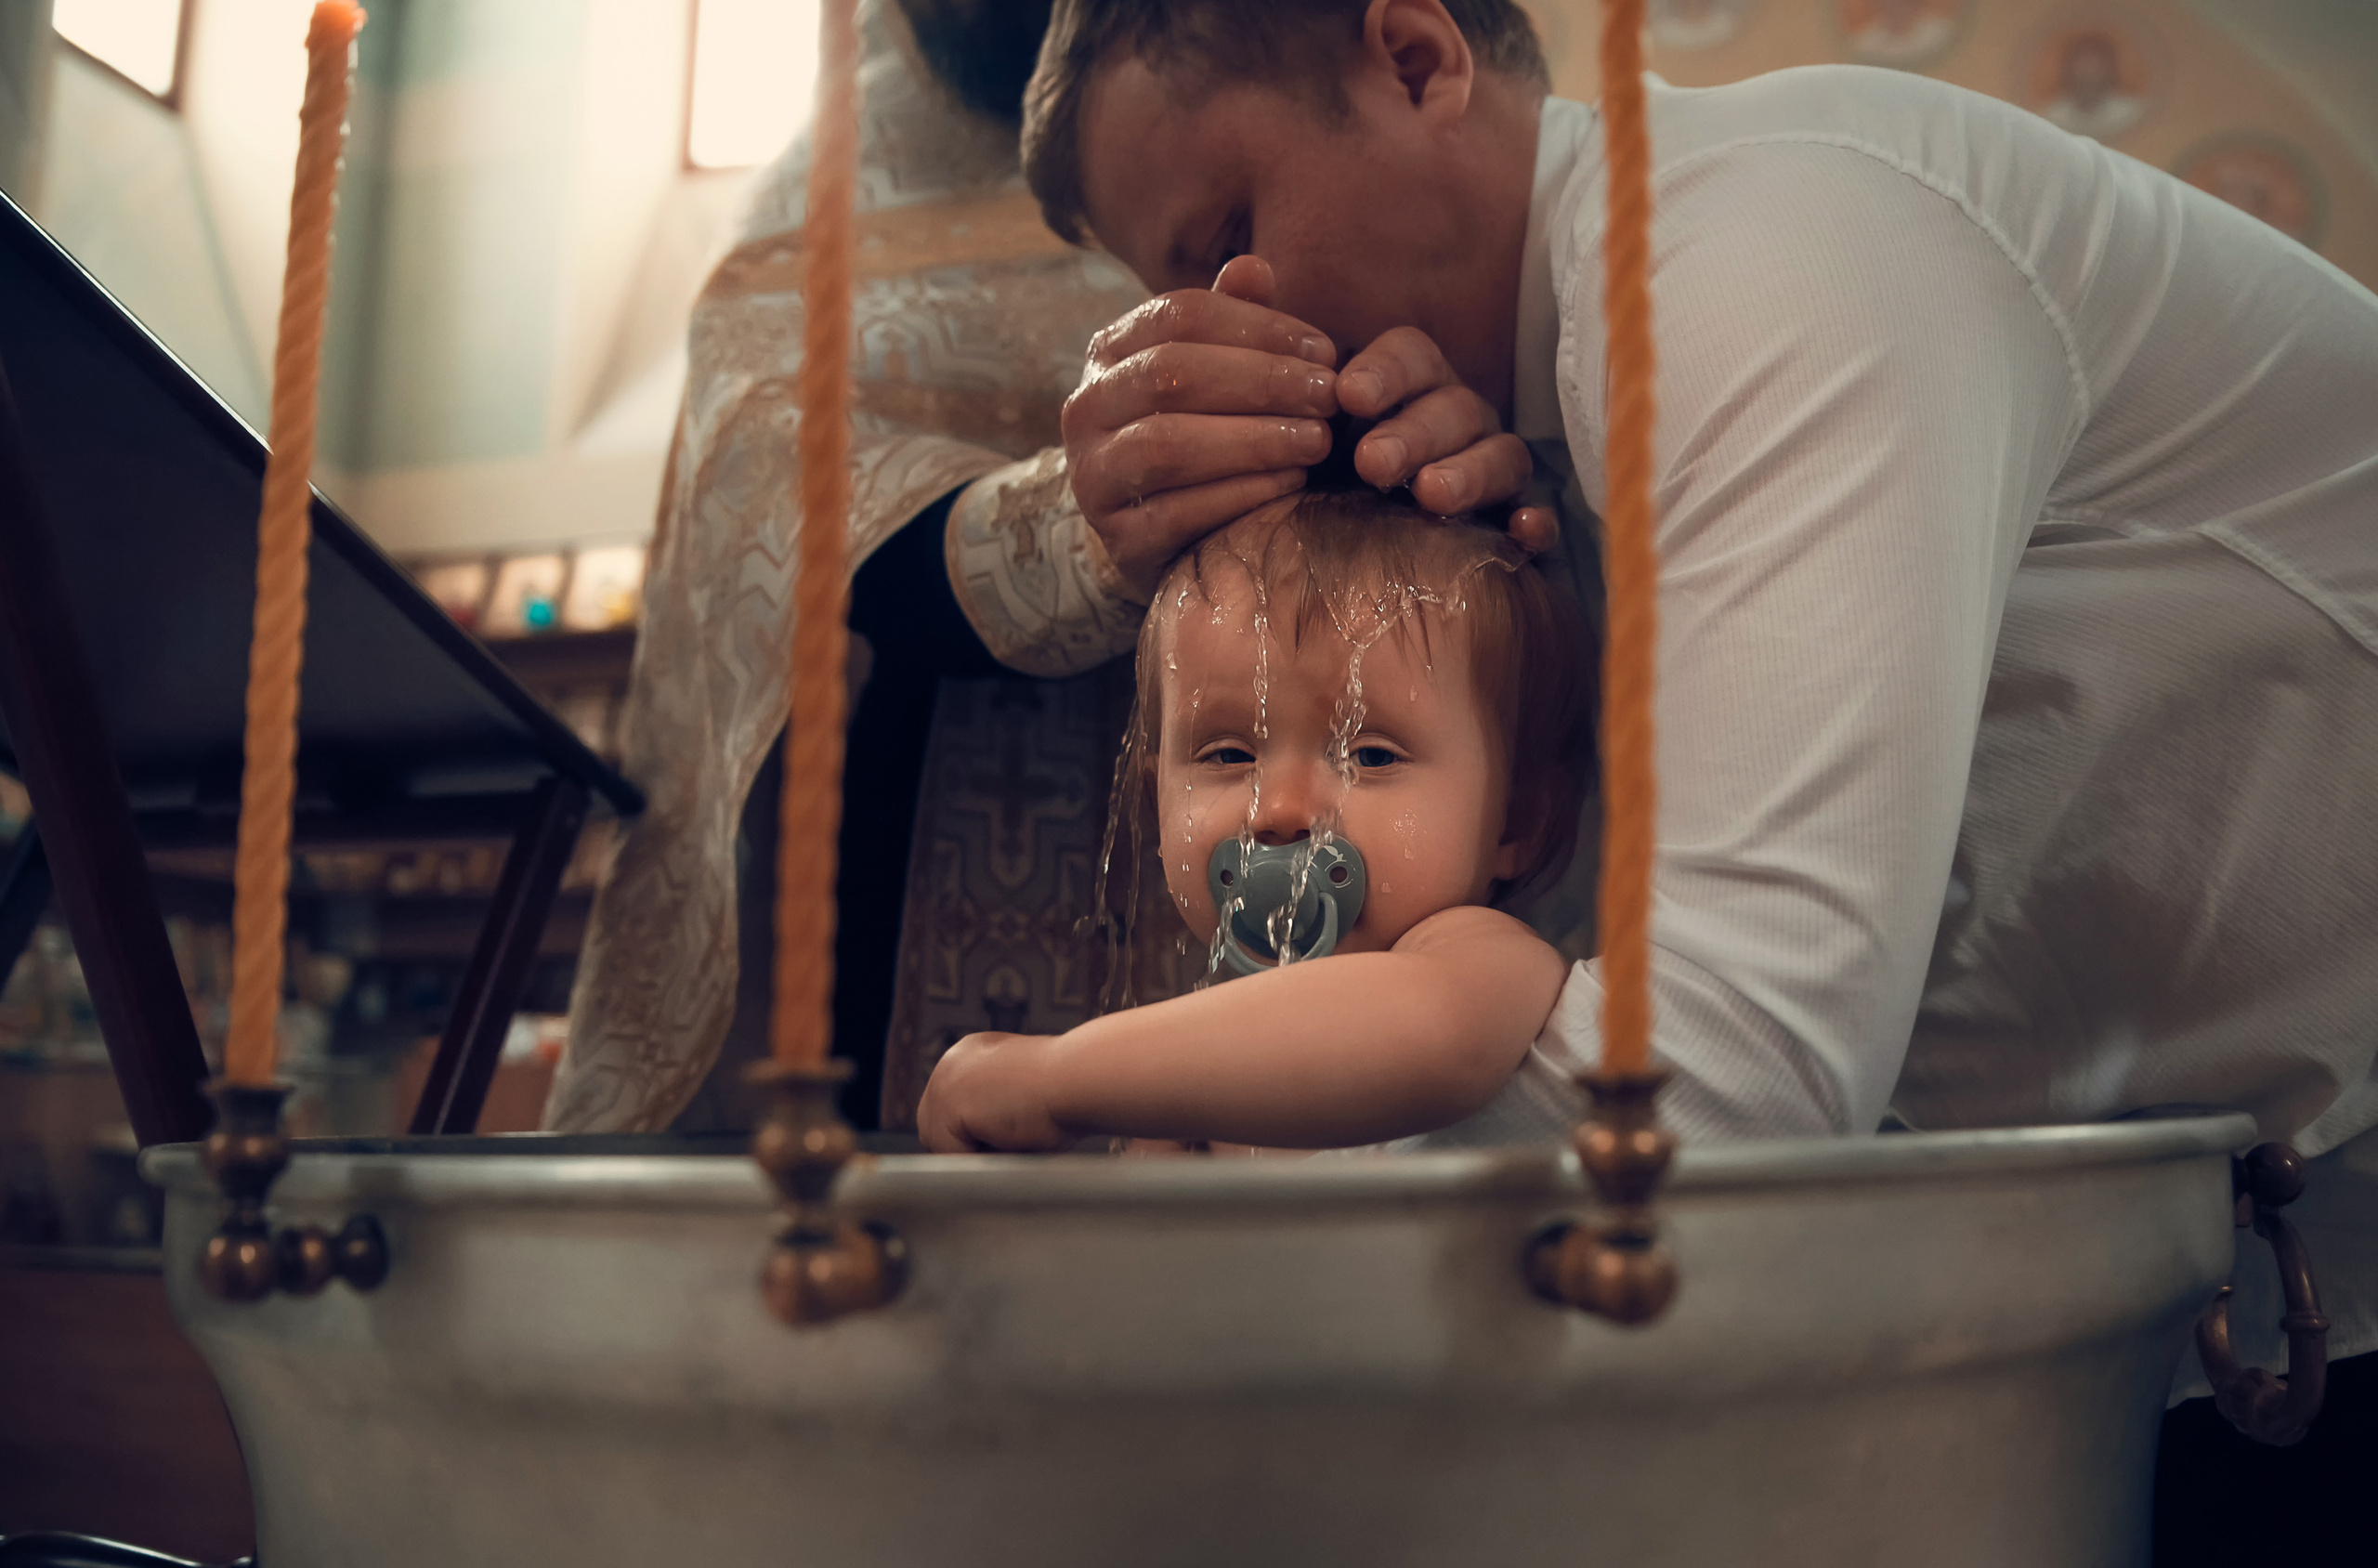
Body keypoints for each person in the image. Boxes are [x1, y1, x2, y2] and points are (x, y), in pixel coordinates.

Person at [1016, 0, 2378, 1558]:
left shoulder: (1770, 258)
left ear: (1413, 60)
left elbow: (1733, 1078)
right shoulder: (1534, 437)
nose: (1218, 334)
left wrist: (1202, 1148)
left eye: (1227, 240)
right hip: (2185, 1306)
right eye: (1171, 299)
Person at [543, 0, 1548, 1136]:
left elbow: (1447, 1012)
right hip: (925, 801)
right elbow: (770, 527)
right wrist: (1070, 528)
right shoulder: (825, 187)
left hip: (1357, 799)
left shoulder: (1304, 89)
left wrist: (1416, 454)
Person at [919, 488, 1590, 1153]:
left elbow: (1435, 1034)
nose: (1280, 810)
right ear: (1157, 805)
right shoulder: (1187, 1074)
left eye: (1371, 755)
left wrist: (1057, 1077)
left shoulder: (1482, 962)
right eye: (1230, 754)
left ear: (1515, 822)